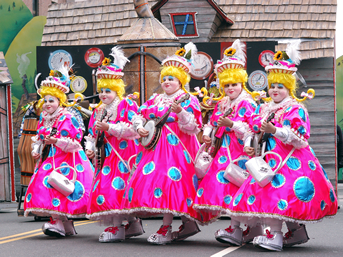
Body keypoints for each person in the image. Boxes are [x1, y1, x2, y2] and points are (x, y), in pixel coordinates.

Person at [227, 41, 338, 251]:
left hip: (290, 160)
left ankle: (275, 236)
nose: (275, 90)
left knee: (278, 194)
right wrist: (250, 144)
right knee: (275, 195)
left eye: (280, 86)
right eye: (272, 86)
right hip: (268, 158)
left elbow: (301, 138)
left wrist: (275, 131)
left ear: (288, 87)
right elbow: (253, 129)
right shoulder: (265, 107)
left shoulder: (296, 109)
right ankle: (296, 232)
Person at [122, 42, 213, 245]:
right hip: (154, 148)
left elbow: (193, 127)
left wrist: (181, 113)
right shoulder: (155, 99)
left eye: (171, 78)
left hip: (177, 149)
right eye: (164, 79)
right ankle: (184, 224)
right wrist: (139, 128)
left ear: (180, 81)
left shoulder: (188, 99)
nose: (166, 82)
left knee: (171, 183)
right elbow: (138, 115)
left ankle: (166, 226)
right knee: (157, 182)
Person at [193, 39, 262, 246]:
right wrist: (207, 133)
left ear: (242, 83)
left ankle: (239, 228)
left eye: (234, 84)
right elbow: (212, 123)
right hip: (223, 150)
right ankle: (244, 227)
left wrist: (232, 124)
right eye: (227, 84)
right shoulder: (222, 102)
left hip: (241, 151)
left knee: (237, 187)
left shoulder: (248, 102)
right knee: (224, 187)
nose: (230, 88)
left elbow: (253, 129)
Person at [24, 66, 94, 237]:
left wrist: (57, 141)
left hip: (69, 159)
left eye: (51, 100)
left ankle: (58, 222)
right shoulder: (44, 118)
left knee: (57, 186)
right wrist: (36, 150)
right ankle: (64, 224)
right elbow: (39, 137)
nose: (47, 104)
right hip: (51, 158)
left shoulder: (67, 117)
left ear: (60, 100)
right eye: (45, 100)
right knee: (54, 187)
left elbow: (76, 143)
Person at [84, 46, 144, 242]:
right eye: (101, 91)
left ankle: (119, 226)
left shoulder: (126, 105)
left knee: (118, 188)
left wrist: (110, 128)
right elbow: (92, 134)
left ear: (116, 90)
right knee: (108, 188)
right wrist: (90, 149)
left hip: (124, 156)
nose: (103, 94)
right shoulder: (98, 110)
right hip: (106, 157)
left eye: (107, 91)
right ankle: (130, 224)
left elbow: (134, 130)